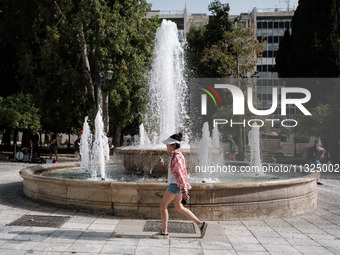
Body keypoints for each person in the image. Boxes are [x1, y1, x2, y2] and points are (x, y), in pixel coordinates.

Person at [153, 132, 208, 239]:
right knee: (179, 207)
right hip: (176, 184)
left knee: (163, 205)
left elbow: (182, 175)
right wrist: (168, 176)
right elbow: (178, 172)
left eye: (168, 144)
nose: (166, 146)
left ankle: (164, 232)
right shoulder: (176, 155)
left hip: (175, 186)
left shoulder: (177, 157)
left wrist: (184, 191)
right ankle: (200, 225)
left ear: (173, 145)